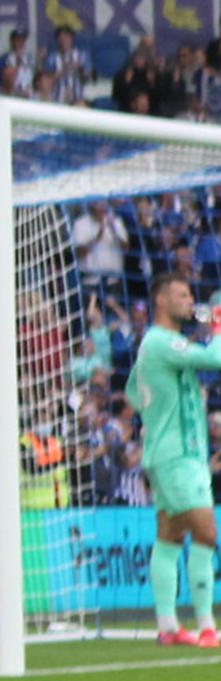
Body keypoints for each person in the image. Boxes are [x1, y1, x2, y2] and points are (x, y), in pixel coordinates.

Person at [128, 269, 221, 646]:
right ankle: (207, 626)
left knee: (169, 536)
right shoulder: (160, 341)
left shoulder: (157, 346)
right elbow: (216, 358)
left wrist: (153, 413)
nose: (189, 301)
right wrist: (218, 326)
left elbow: (132, 389)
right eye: (182, 295)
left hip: (171, 453)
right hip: (178, 455)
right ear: (161, 300)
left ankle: (168, 626)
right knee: (206, 532)